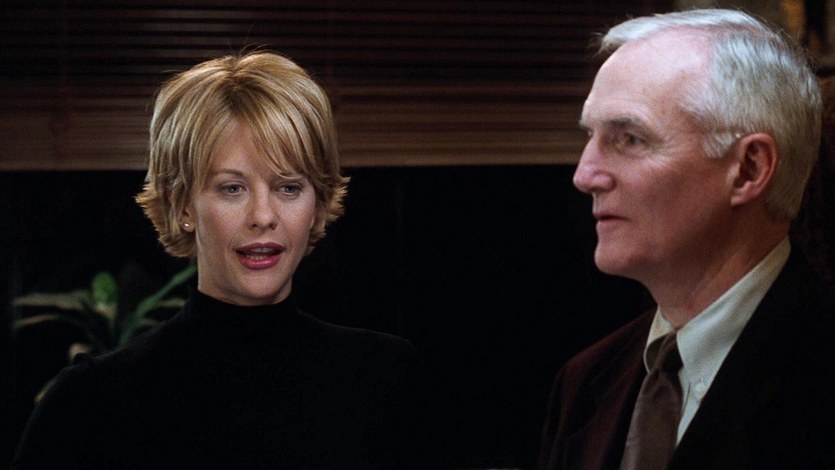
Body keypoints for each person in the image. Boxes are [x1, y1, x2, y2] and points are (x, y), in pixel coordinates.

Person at [12, 51, 429, 469]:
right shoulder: (90, 403)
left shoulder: (387, 376)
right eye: (232, 189)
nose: (263, 216)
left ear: (317, 203)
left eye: (288, 188)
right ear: (183, 205)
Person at [537, 8, 835, 470]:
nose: (585, 175)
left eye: (629, 139)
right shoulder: (585, 382)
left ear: (749, 169)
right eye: (591, 136)